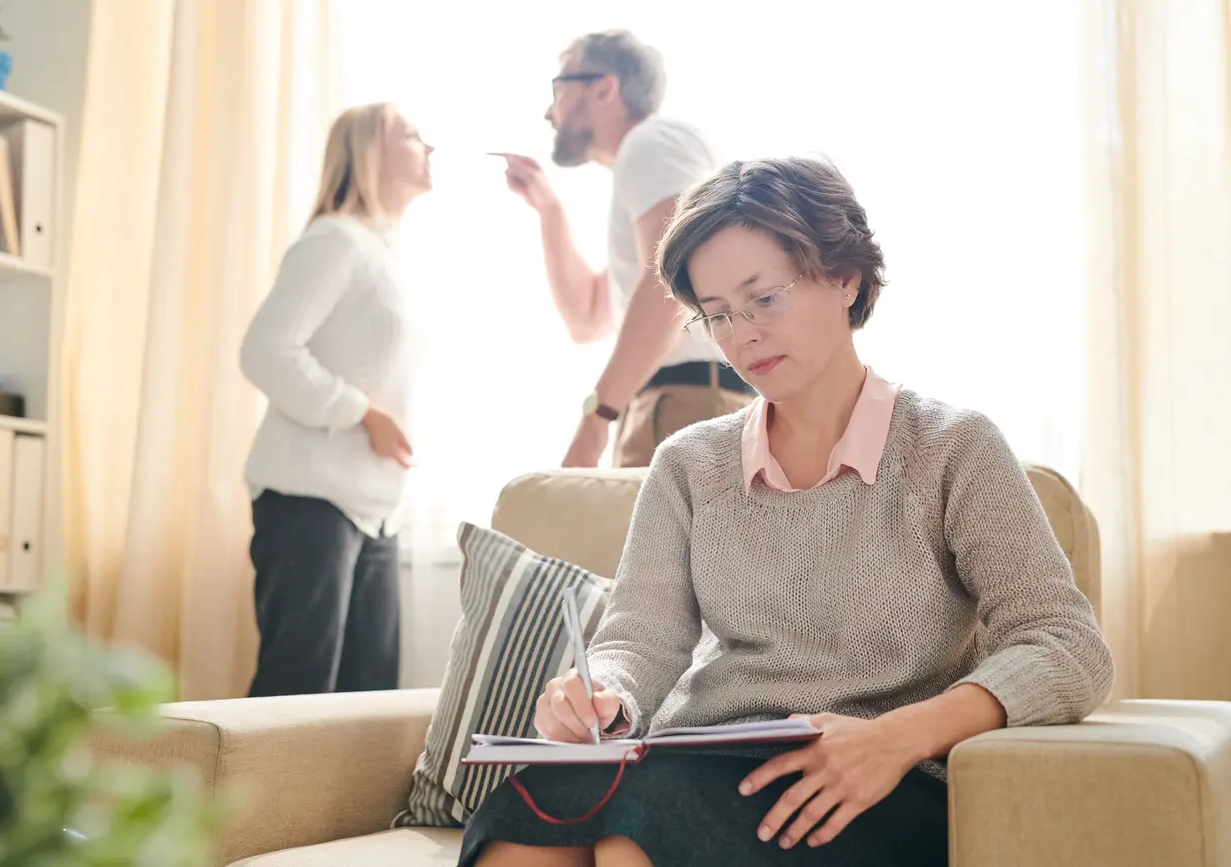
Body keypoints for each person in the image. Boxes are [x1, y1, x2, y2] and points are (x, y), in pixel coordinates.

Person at [459, 156, 1115, 866]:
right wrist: (604, 694)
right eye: (717, 316)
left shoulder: (951, 448)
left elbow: (1066, 642)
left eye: (764, 298)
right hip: (705, 759)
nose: (742, 335)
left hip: (876, 781)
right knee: (535, 811)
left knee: (640, 822)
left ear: (845, 277)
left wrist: (901, 735)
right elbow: (640, 639)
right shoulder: (689, 465)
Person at [239, 103, 433, 698]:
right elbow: (265, 351)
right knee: (294, 694)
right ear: (369, 152)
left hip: (373, 508)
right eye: (411, 132)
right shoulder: (335, 242)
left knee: (365, 702)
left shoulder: (387, 257)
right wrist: (360, 413)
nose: (429, 144)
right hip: (310, 503)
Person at [497, 29, 754, 469]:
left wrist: (597, 417)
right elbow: (588, 317)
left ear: (605, 88)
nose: (547, 111)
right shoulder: (648, 161)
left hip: (684, 402)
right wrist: (550, 211)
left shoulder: (651, 143)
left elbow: (670, 286)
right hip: (672, 400)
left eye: (558, 89)